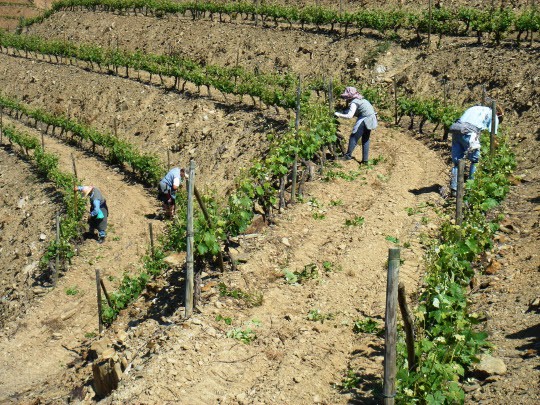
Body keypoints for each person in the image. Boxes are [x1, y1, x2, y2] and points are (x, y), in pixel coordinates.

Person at [448, 103, 503, 195]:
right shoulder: (494, 115)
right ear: (498, 114)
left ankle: (454, 189)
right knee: (475, 160)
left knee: (458, 161)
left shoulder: (474, 108)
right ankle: (471, 188)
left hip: (456, 130)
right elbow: (493, 136)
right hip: (469, 133)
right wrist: (495, 150)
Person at [334, 86, 378, 162]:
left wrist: (338, 114)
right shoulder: (361, 99)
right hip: (371, 118)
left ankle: (347, 156)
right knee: (365, 139)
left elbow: (349, 116)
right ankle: (365, 161)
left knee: (353, 137)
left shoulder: (354, 102)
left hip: (365, 119)